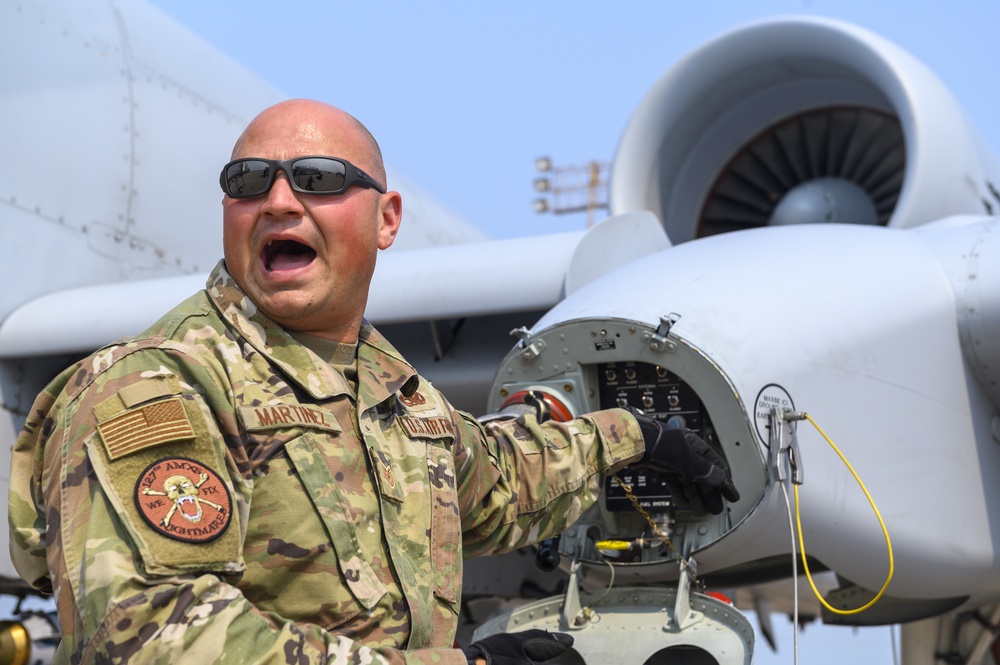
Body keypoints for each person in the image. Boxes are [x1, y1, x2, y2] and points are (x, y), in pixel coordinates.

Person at [8, 99, 738, 664]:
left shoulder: (390, 389)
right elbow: (153, 636)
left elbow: (495, 483)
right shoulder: (153, 386)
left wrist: (637, 437)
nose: (280, 202)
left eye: (318, 180)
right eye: (248, 181)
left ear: (386, 219)